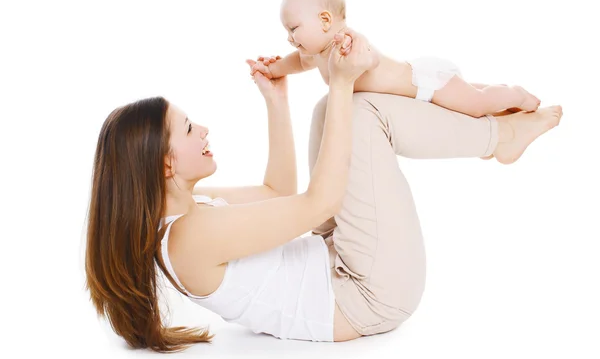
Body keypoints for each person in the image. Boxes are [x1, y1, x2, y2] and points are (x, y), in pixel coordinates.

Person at [85, 29, 562, 353]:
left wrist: (277, 101)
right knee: (352, 112)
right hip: (369, 294)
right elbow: (320, 202)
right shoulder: (190, 237)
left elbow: (279, 190)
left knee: (329, 112)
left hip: (343, 261)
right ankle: (498, 137)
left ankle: (484, 116)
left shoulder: (192, 216)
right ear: (167, 163)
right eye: (189, 129)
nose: (204, 129)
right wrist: (341, 81)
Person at [248, 0, 541, 119]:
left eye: (293, 29)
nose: (289, 38)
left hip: (425, 83)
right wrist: (273, 69)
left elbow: (370, 60)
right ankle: (501, 96)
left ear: (325, 20)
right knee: (471, 93)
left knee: (477, 106)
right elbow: (297, 62)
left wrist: (352, 50)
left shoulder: (349, 43)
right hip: (424, 85)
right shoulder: (317, 54)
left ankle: (517, 94)